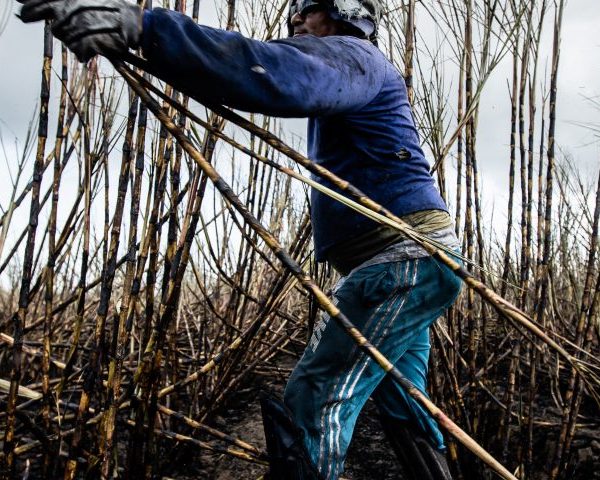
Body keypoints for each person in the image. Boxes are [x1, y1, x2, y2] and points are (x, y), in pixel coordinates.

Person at [17, 0, 463, 478]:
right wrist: (166, 49)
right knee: (405, 400)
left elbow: (274, 72)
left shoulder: (355, 56)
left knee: (318, 395)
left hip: (402, 261)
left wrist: (145, 27)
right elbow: (258, 67)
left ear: (343, 16)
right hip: (409, 263)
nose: (294, 20)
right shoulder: (357, 66)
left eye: (307, 10)